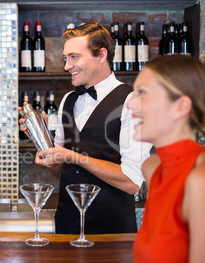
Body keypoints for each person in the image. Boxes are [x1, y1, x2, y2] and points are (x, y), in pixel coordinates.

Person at [20, 23, 152, 234]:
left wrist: (72, 156)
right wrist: (42, 141)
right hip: (66, 227)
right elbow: (59, 173)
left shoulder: (132, 101)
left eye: (74, 57)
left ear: (101, 55)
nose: (66, 66)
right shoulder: (67, 101)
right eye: (66, 58)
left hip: (112, 234)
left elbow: (131, 183)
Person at [129, 55, 205, 262]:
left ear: (180, 106)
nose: (130, 105)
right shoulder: (152, 168)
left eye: (142, 93)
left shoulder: (200, 180)